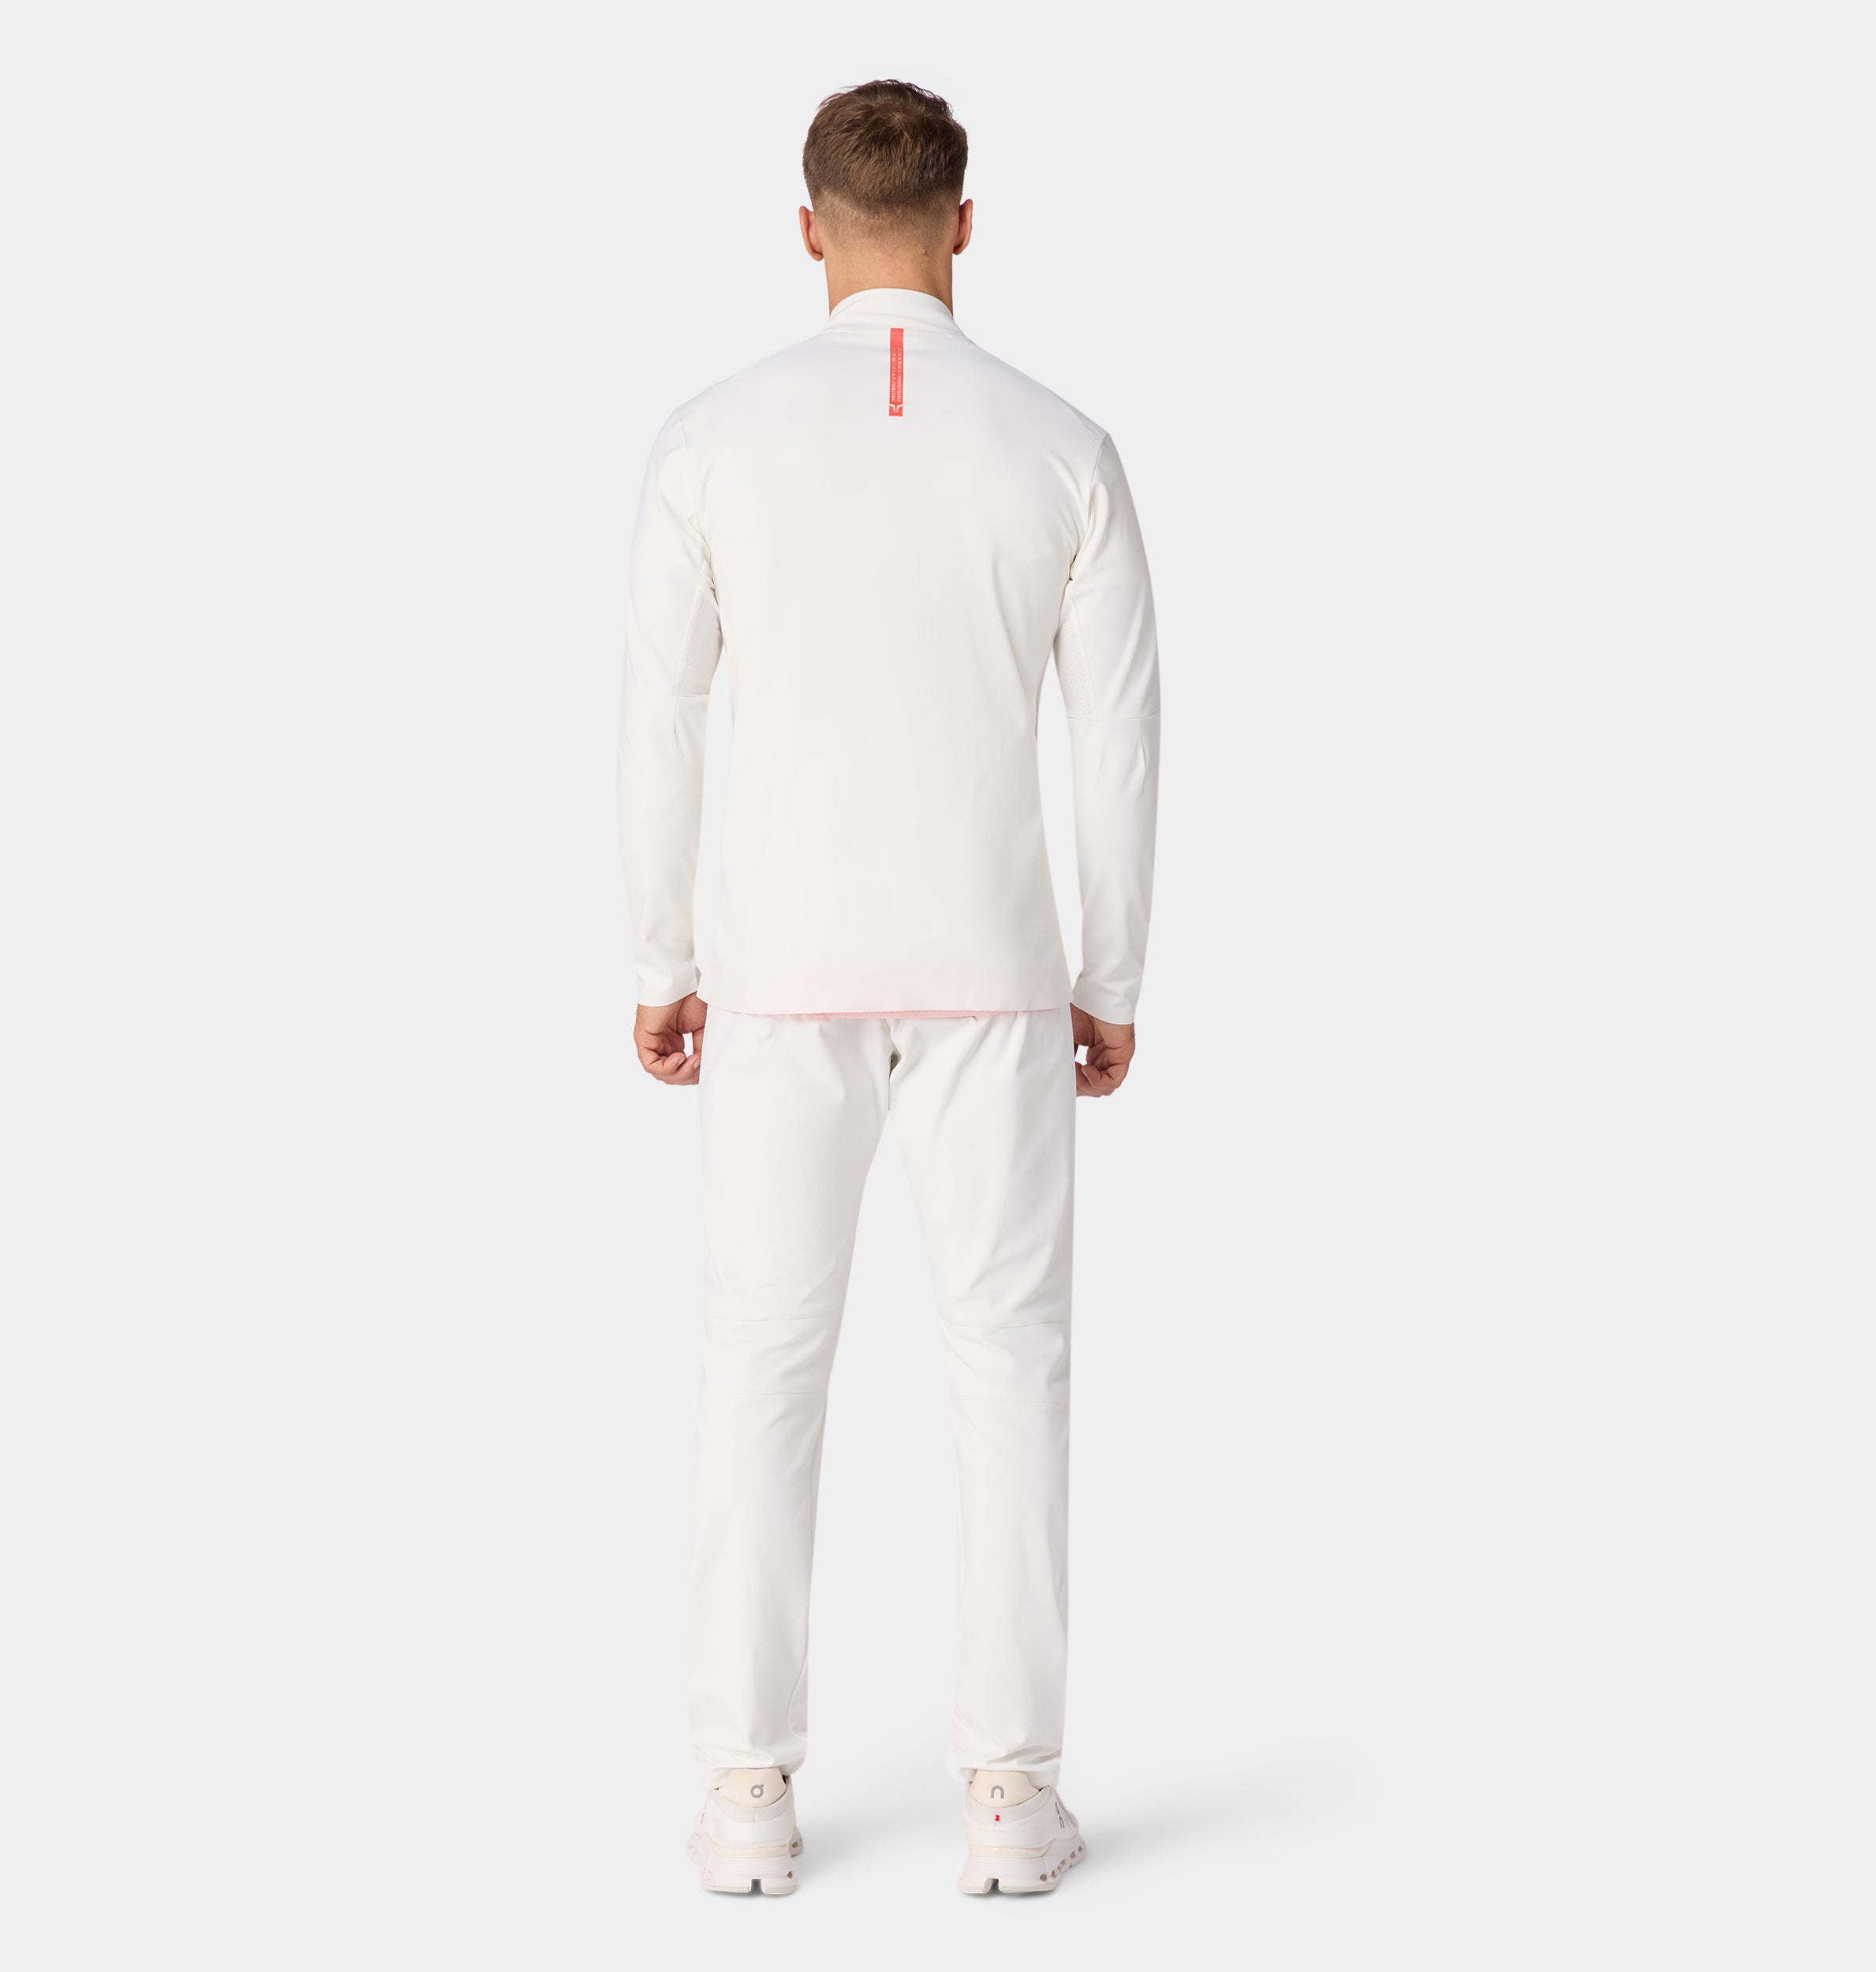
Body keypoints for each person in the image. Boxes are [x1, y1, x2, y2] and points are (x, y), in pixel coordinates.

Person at [618, 78, 1159, 1896]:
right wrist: (1109, 971)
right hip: (993, 970)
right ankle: (1009, 1792)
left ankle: (742, 1793)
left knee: (759, 1362)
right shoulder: (1061, 444)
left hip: (778, 974)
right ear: (964, 223)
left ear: (806, 231)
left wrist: (660, 956)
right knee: (1010, 1366)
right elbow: (1119, 738)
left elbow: (657, 717)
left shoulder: (710, 438)